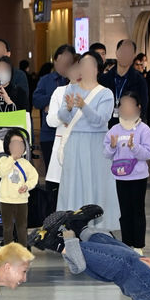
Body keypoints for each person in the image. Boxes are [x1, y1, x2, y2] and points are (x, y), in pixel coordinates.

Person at [56, 51, 120, 231]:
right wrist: (68, 107)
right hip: (75, 142)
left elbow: (100, 120)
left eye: (90, 65)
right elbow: (62, 116)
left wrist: (84, 106)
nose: (85, 68)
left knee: (95, 182)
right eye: (82, 65)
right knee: (73, 183)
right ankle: (71, 223)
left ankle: (96, 225)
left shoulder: (105, 93)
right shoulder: (71, 88)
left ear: (97, 69)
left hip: (96, 144)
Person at [103, 91, 150, 254]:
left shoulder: (144, 130)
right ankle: (126, 243)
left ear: (138, 107)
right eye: (122, 105)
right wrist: (112, 146)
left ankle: (138, 244)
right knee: (124, 211)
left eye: (129, 105)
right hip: (121, 176)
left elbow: (147, 154)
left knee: (137, 210)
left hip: (138, 176)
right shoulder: (114, 129)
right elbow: (106, 154)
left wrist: (134, 147)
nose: (125, 109)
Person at [45, 57, 82, 208]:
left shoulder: (93, 93)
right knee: (57, 197)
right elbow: (51, 121)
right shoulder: (60, 92)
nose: (78, 72)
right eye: (74, 68)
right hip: (61, 149)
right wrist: (65, 111)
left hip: (82, 150)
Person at [32, 44, 75, 170]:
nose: (64, 65)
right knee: (52, 173)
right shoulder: (46, 80)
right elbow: (36, 101)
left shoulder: (75, 82)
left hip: (70, 134)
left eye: (68, 62)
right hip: (49, 134)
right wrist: (53, 99)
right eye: (62, 61)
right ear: (55, 60)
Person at [0, 128, 38, 247]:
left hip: (22, 200)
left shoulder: (26, 163)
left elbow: (33, 177)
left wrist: (27, 186)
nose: (17, 147)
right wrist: (12, 158)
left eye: (20, 144)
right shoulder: (3, 160)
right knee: (7, 228)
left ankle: (22, 252)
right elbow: (3, 171)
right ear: (7, 146)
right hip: (6, 200)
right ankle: (8, 252)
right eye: (14, 144)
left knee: (22, 228)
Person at [99, 40, 149, 128]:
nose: (125, 55)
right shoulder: (104, 79)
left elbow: (143, 108)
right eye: (123, 51)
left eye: (129, 52)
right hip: (106, 127)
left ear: (133, 56)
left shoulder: (139, 80)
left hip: (129, 127)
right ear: (116, 52)